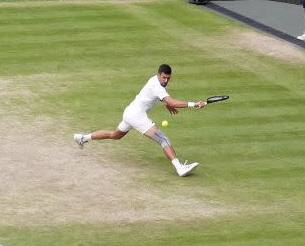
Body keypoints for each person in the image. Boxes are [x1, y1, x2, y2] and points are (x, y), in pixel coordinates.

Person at [73, 64, 206, 177]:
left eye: (168, 78)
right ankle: (179, 168)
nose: (165, 80)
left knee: (115, 135)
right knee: (163, 139)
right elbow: (169, 100)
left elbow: (161, 98)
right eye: (164, 77)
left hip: (130, 112)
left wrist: (168, 104)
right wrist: (194, 104)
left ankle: (83, 137)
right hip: (136, 115)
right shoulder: (157, 86)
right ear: (158, 74)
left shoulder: (156, 81)